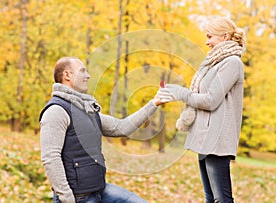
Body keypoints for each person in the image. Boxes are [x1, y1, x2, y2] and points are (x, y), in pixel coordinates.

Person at [39, 57, 163, 203]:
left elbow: (121, 127)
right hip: (77, 197)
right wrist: (66, 198)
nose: (88, 76)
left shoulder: (86, 108)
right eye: (82, 71)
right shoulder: (56, 111)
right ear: (67, 75)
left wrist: (154, 103)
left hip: (99, 190)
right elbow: (50, 158)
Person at [158, 16, 246, 202]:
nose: (207, 42)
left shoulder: (232, 63)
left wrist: (180, 94)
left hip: (218, 140)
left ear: (224, 36)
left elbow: (211, 100)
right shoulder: (214, 62)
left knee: (221, 199)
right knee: (210, 198)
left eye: (210, 37)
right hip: (205, 138)